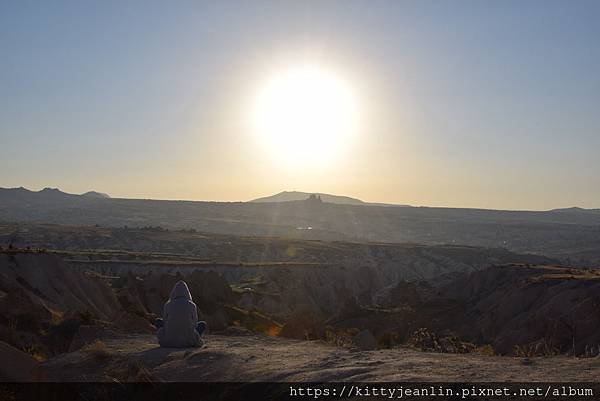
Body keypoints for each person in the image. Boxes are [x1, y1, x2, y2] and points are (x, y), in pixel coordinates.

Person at [156, 280, 206, 347]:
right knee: (202, 324)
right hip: (188, 339)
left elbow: (165, 321)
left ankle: (169, 338)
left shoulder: (168, 304)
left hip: (169, 340)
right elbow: (195, 322)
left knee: (158, 321)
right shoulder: (191, 304)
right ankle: (192, 340)